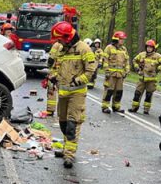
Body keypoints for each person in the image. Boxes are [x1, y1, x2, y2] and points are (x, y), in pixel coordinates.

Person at [47, 21, 97, 168]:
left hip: (77, 93)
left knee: (72, 124)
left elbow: (91, 70)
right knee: (63, 123)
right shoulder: (60, 48)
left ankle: (69, 155)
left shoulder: (83, 48)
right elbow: (54, 65)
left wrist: (78, 81)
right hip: (62, 92)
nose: (58, 42)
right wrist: (53, 76)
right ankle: (65, 149)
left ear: (68, 38)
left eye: (60, 39)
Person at [129, 39, 161, 115]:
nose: (149, 49)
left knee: (149, 95)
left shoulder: (157, 56)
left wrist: (159, 68)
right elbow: (134, 60)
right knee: (137, 93)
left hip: (151, 80)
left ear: (153, 48)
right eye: (148, 47)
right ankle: (134, 107)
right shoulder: (142, 54)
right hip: (141, 79)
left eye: (151, 47)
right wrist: (137, 67)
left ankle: (146, 109)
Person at [101, 31, 130, 113]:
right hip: (111, 74)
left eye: (123, 39)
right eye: (121, 39)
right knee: (109, 90)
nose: (122, 41)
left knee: (119, 91)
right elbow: (105, 60)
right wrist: (107, 71)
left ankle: (116, 106)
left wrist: (127, 71)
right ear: (116, 39)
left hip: (120, 75)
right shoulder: (109, 48)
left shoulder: (124, 49)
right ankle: (105, 107)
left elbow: (127, 61)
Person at [43, 40, 63, 116]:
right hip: (65, 72)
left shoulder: (56, 45)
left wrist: (49, 66)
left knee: (52, 90)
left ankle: (50, 110)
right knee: (63, 92)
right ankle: (62, 112)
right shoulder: (71, 45)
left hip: (55, 71)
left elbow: (51, 58)